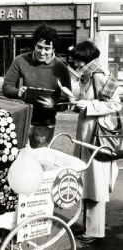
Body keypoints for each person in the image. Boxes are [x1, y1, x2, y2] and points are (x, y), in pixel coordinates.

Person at [68, 41, 122, 243]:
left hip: (98, 138)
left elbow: (116, 104)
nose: (76, 65)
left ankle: (95, 231)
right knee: (88, 182)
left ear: (87, 60)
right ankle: (88, 227)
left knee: (96, 183)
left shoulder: (100, 76)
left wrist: (89, 104)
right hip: (87, 136)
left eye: (79, 61)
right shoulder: (87, 76)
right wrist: (75, 103)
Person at [2, 24, 71, 148]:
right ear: (34, 45)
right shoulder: (20, 60)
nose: (42, 52)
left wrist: (54, 104)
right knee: (17, 160)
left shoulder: (61, 68)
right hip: (20, 121)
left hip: (44, 124)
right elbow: (7, 87)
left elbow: (67, 100)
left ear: (53, 49)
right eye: (39, 47)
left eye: (47, 48)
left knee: (38, 161)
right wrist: (17, 92)